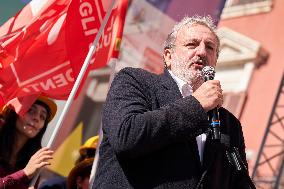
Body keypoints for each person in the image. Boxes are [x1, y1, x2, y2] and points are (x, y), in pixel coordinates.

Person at [93, 15, 256, 189]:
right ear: (168, 56)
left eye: (210, 47)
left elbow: (239, 181)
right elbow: (126, 136)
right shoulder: (134, 81)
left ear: (215, 61)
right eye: (192, 44)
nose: (202, 52)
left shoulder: (229, 123)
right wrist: (197, 105)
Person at [0, 96, 56, 189]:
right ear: (14, 113)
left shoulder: (34, 161)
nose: (37, 118)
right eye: (30, 110)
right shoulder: (29, 168)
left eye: (42, 117)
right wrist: (24, 173)